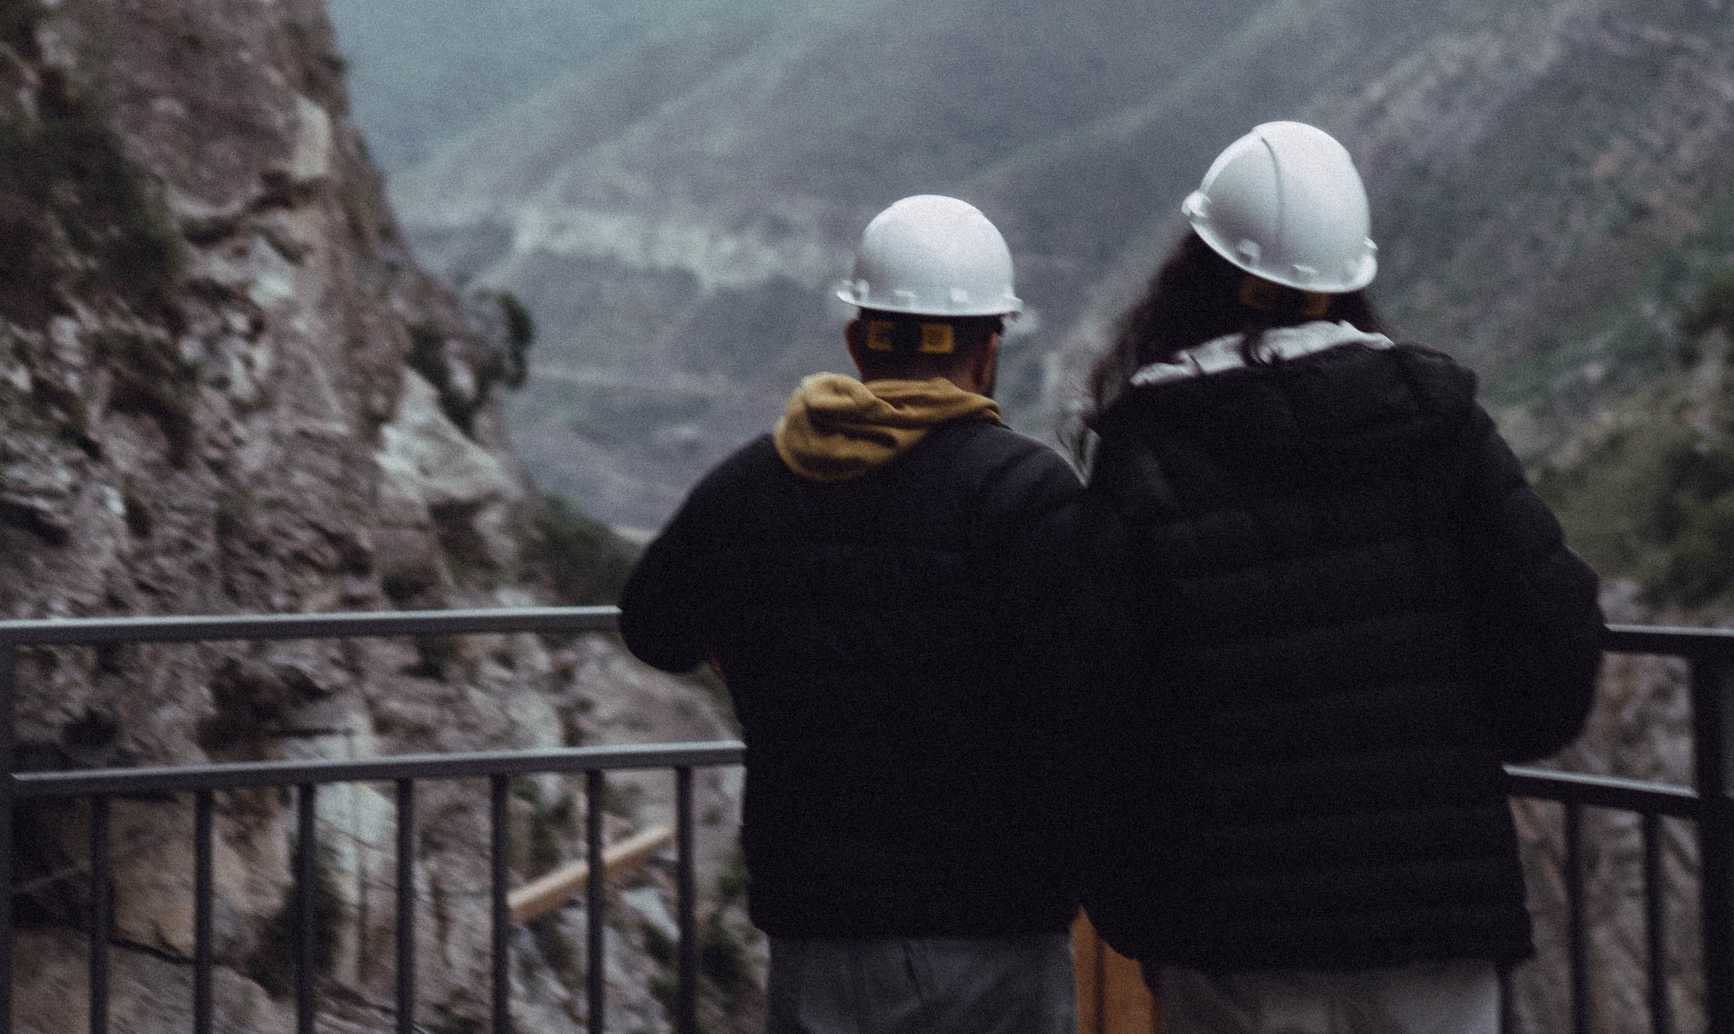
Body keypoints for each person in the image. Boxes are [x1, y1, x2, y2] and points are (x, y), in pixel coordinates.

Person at [1069, 122, 1602, 1034]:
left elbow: (1098, 707)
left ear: (1198, 270)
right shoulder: (1440, 421)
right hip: (1437, 918)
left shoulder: (1146, 448)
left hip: (1236, 930)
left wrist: (1141, 912)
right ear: (1349, 275)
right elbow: (1552, 646)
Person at [620, 194, 1083, 1034]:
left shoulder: (755, 481)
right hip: (995, 923)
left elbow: (653, 624)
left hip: (822, 929)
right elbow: (1086, 693)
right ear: (989, 349)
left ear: (858, 340)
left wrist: (749, 646)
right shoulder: (1029, 490)